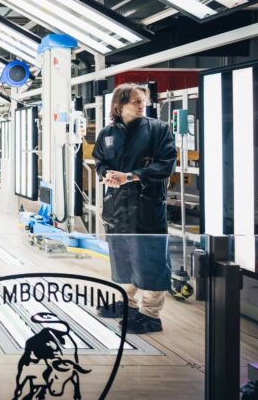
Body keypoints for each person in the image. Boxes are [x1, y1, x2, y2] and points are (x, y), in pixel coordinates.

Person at [92, 83, 176, 334]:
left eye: (143, 101)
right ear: (119, 106)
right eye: (136, 101)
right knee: (124, 256)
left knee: (151, 258)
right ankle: (126, 302)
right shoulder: (107, 133)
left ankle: (150, 313)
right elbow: (100, 162)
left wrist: (130, 176)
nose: (142, 105)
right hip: (117, 206)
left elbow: (166, 165)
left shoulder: (159, 130)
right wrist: (106, 175)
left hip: (146, 204)